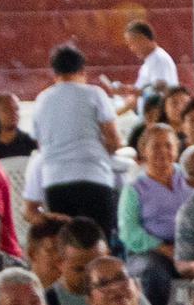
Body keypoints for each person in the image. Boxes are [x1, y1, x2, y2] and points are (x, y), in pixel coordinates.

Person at [30, 45, 127, 238]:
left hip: (55, 183)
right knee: (99, 242)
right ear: (83, 71)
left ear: (54, 73)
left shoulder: (41, 100)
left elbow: (41, 145)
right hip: (94, 178)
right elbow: (115, 141)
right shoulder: (95, 94)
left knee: (68, 246)